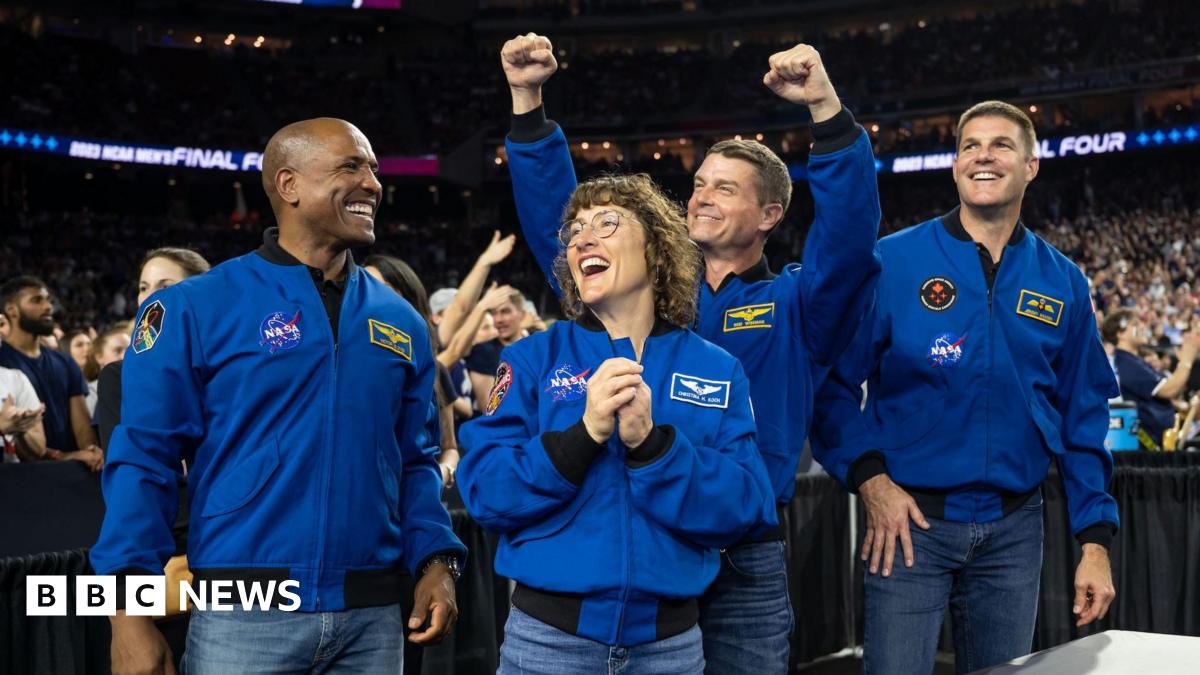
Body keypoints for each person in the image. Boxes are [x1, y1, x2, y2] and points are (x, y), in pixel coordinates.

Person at [499, 34, 881, 672]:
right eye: (699, 184)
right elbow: (560, 230)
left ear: (770, 214)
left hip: (742, 553)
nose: (701, 196)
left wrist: (825, 111)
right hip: (644, 543)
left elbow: (847, 243)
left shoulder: (799, 307)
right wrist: (529, 107)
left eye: (725, 189)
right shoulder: (636, 294)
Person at [90, 118, 465, 675]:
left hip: (372, 616)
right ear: (288, 185)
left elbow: (414, 462)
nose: (373, 183)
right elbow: (144, 461)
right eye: (350, 166)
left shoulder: (401, 321)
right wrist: (126, 614)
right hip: (244, 614)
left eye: (374, 169)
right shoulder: (195, 307)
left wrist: (436, 561)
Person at [810, 101, 1119, 674]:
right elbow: (828, 387)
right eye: (969, 146)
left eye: (1001, 145)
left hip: (1015, 532)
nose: (983, 156)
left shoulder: (1064, 283)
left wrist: (1094, 543)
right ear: (955, 166)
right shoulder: (894, 262)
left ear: (1030, 166)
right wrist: (871, 480)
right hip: (908, 528)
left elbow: (1084, 419)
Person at [457, 173, 775, 673]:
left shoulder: (717, 368)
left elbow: (746, 506)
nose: (583, 238)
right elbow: (485, 491)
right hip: (547, 646)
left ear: (655, 250)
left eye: (607, 223)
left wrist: (653, 448)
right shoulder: (531, 358)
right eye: (575, 230)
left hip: (671, 649)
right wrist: (583, 437)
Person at [96, 247, 213, 450]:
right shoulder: (118, 377)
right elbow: (126, 466)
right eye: (143, 288)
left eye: (165, 286)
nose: (149, 297)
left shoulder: (232, 364)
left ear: (201, 292)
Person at [0, 276, 103, 471]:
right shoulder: (2, 365)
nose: (48, 306)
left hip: (72, 470)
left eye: (48, 300)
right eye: (36, 300)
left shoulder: (65, 361)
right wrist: (62, 457)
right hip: (21, 475)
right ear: (12, 310)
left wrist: (92, 453)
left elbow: (82, 427)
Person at [1102, 309, 1198, 450]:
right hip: (1148, 454)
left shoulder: (1135, 361)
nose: (1142, 327)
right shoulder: (1126, 363)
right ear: (1120, 334)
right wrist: (1187, 358)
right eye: (1135, 324)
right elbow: (1169, 389)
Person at [464, 288, 528, 414]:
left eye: (505, 312)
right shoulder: (482, 352)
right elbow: (490, 408)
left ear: (522, 314)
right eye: (494, 313)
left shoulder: (538, 347)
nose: (498, 320)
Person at [82, 325, 131, 417]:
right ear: (99, 357)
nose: (125, 355)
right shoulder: (90, 393)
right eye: (117, 350)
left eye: (129, 349)